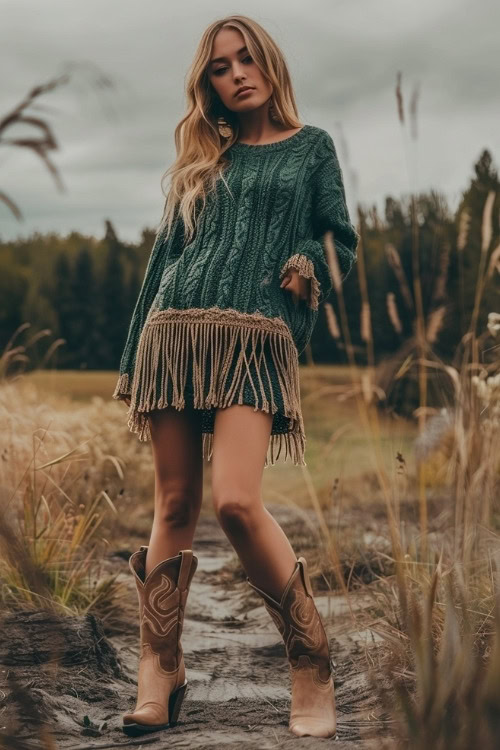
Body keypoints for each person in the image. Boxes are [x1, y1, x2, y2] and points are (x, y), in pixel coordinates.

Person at [115, 13, 359, 741]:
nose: (237, 74)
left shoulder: (312, 149)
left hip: (254, 341)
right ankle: (158, 673)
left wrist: (311, 268)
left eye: (246, 58)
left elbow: (339, 240)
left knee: (236, 502)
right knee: (174, 502)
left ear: (269, 62)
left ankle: (312, 659)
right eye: (220, 67)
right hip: (175, 335)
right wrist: (135, 358)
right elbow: (163, 264)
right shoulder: (204, 158)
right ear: (208, 85)